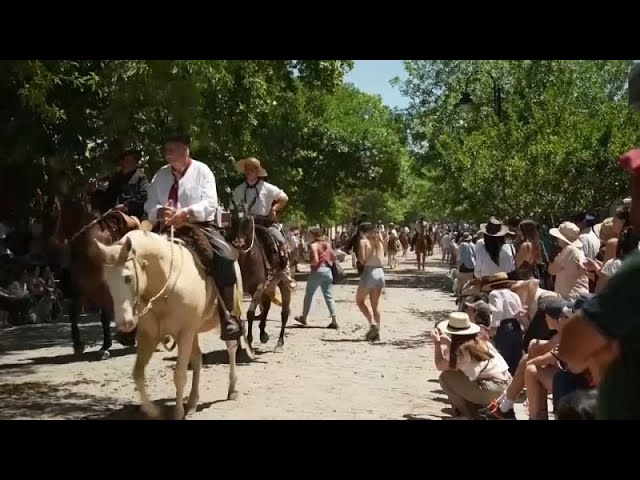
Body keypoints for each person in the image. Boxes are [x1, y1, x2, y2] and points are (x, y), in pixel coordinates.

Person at [144, 133, 241, 341]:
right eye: (166, 149)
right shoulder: (160, 176)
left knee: (223, 257)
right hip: (166, 229)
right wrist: (159, 212)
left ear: (185, 150)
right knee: (139, 259)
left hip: (198, 226)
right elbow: (149, 204)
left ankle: (227, 316)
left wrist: (187, 213)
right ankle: (139, 317)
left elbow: (210, 203)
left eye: (172, 148)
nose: (167, 153)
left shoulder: (202, 171)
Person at [232, 157, 294, 295]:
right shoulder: (238, 190)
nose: (248, 171)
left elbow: (284, 198)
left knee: (280, 240)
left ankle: (285, 271)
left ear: (257, 171)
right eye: (246, 169)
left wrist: (274, 209)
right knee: (229, 242)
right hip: (245, 223)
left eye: (251, 169)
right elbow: (234, 208)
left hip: (264, 222)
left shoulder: (268, 188)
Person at [433, 311, 511, 419]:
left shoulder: (462, 352)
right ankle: (478, 409)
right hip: (505, 384)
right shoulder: (480, 341)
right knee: (460, 375)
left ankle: (469, 415)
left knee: (446, 377)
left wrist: (437, 344)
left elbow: (440, 365)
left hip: (491, 389)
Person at [294, 226, 338, 329]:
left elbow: (315, 261)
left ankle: (304, 317)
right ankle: (334, 319)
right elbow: (334, 257)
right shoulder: (327, 244)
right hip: (327, 271)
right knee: (329, 296)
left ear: (313, 234)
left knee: (309, 295)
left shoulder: (313, 245)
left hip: (317, 272)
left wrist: (306, 262)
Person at [89, 149, 149, 219]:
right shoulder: (116, 178)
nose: (126, 162)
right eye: (125, 160)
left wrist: (126, 206)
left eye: (129, 160)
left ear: (135, 162)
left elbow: (144, 195)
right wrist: (94, 191)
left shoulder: (140, 177)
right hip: (112, 215)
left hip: (132, 216)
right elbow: (108, 196)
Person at [356, 222, 385, 341]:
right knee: (375, 305)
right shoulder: (380, 242)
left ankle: (372, 323)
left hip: (369, 272)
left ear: (362, 232)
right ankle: (377, 332)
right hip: (380, 272)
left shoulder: (364, 242)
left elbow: (362, 260)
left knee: (360, 300)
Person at [548, 221, 590, 300]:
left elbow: (551, 270)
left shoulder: (569, 250)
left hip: (570, 297)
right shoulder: (577, 250)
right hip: (578, 295)